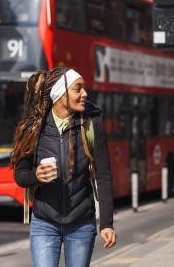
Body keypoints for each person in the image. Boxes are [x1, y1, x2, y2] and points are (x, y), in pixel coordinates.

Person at [11, 67, 116, 267]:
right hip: (44, 222)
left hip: (81, 223)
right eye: (78, 89)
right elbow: (20, 175)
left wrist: (106, 224)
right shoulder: (34, 126)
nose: (84, 94)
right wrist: (36, 175)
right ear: (60, 94)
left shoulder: (92, 123)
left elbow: (103, 175)